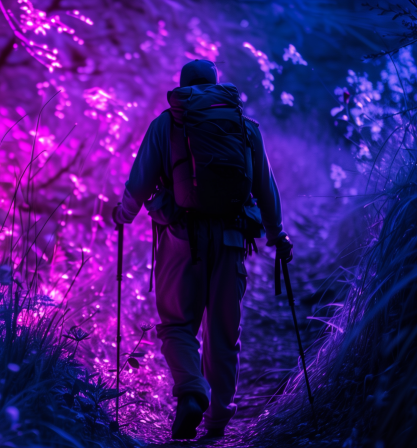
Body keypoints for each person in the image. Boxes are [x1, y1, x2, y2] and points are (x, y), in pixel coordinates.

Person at [111, 59, 293, 440]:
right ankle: (217, 422)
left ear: (182, 87)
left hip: (180, 238)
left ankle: (193, 390)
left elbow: (140, 180)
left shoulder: (167, 124)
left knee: (177, 324)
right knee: (223, 332)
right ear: (215, 85)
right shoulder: (244, 127)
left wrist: (123, 214)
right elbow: (266, 189)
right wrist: (277, 237)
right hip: (230, 240)